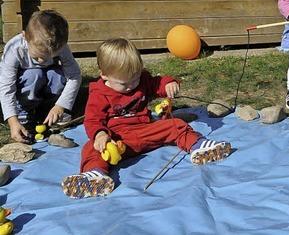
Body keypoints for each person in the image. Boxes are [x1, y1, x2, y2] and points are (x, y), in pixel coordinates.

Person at [62, 38, 232, 199]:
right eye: (124, 84)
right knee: (91, 148)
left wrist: (169, 84)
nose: (131, 86)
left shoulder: (141, 79)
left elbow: (157, 84)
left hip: (145, 131)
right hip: (119, 140)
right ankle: (94, 175)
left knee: (175, 125)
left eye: (135, 80)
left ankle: (199, 146)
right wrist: (100, 135)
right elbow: (92, 120)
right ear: (104, 75)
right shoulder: (99, 94)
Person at [0, 10, 81, 143]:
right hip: (25, 83)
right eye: (38, 56)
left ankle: (49, 111)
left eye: (50, 56)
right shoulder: (14, 49)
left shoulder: (61, 47)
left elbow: (74, 75)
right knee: (33, 74)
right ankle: (24, 114)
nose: (42, 61)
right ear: (25, 37)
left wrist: (61, 105)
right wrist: (12, 121)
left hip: (48, 79)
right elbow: (6, 88)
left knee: (57, 75)